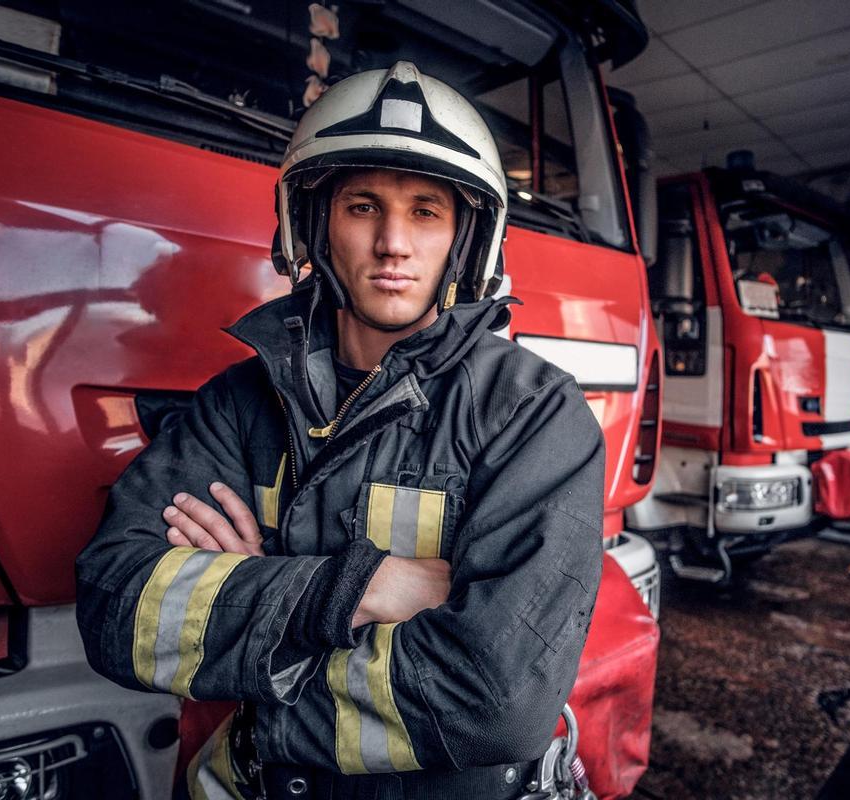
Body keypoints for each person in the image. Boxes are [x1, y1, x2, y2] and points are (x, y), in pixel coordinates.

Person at [75, 61, 604, 800]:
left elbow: (497, 700)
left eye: (426, 211)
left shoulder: (533, 414)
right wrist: (365, 586)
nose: (393, 242)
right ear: (313, 224)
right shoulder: (236, 404)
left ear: (466, 239)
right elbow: (115, 607)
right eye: (363, 207)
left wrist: (253, 611)